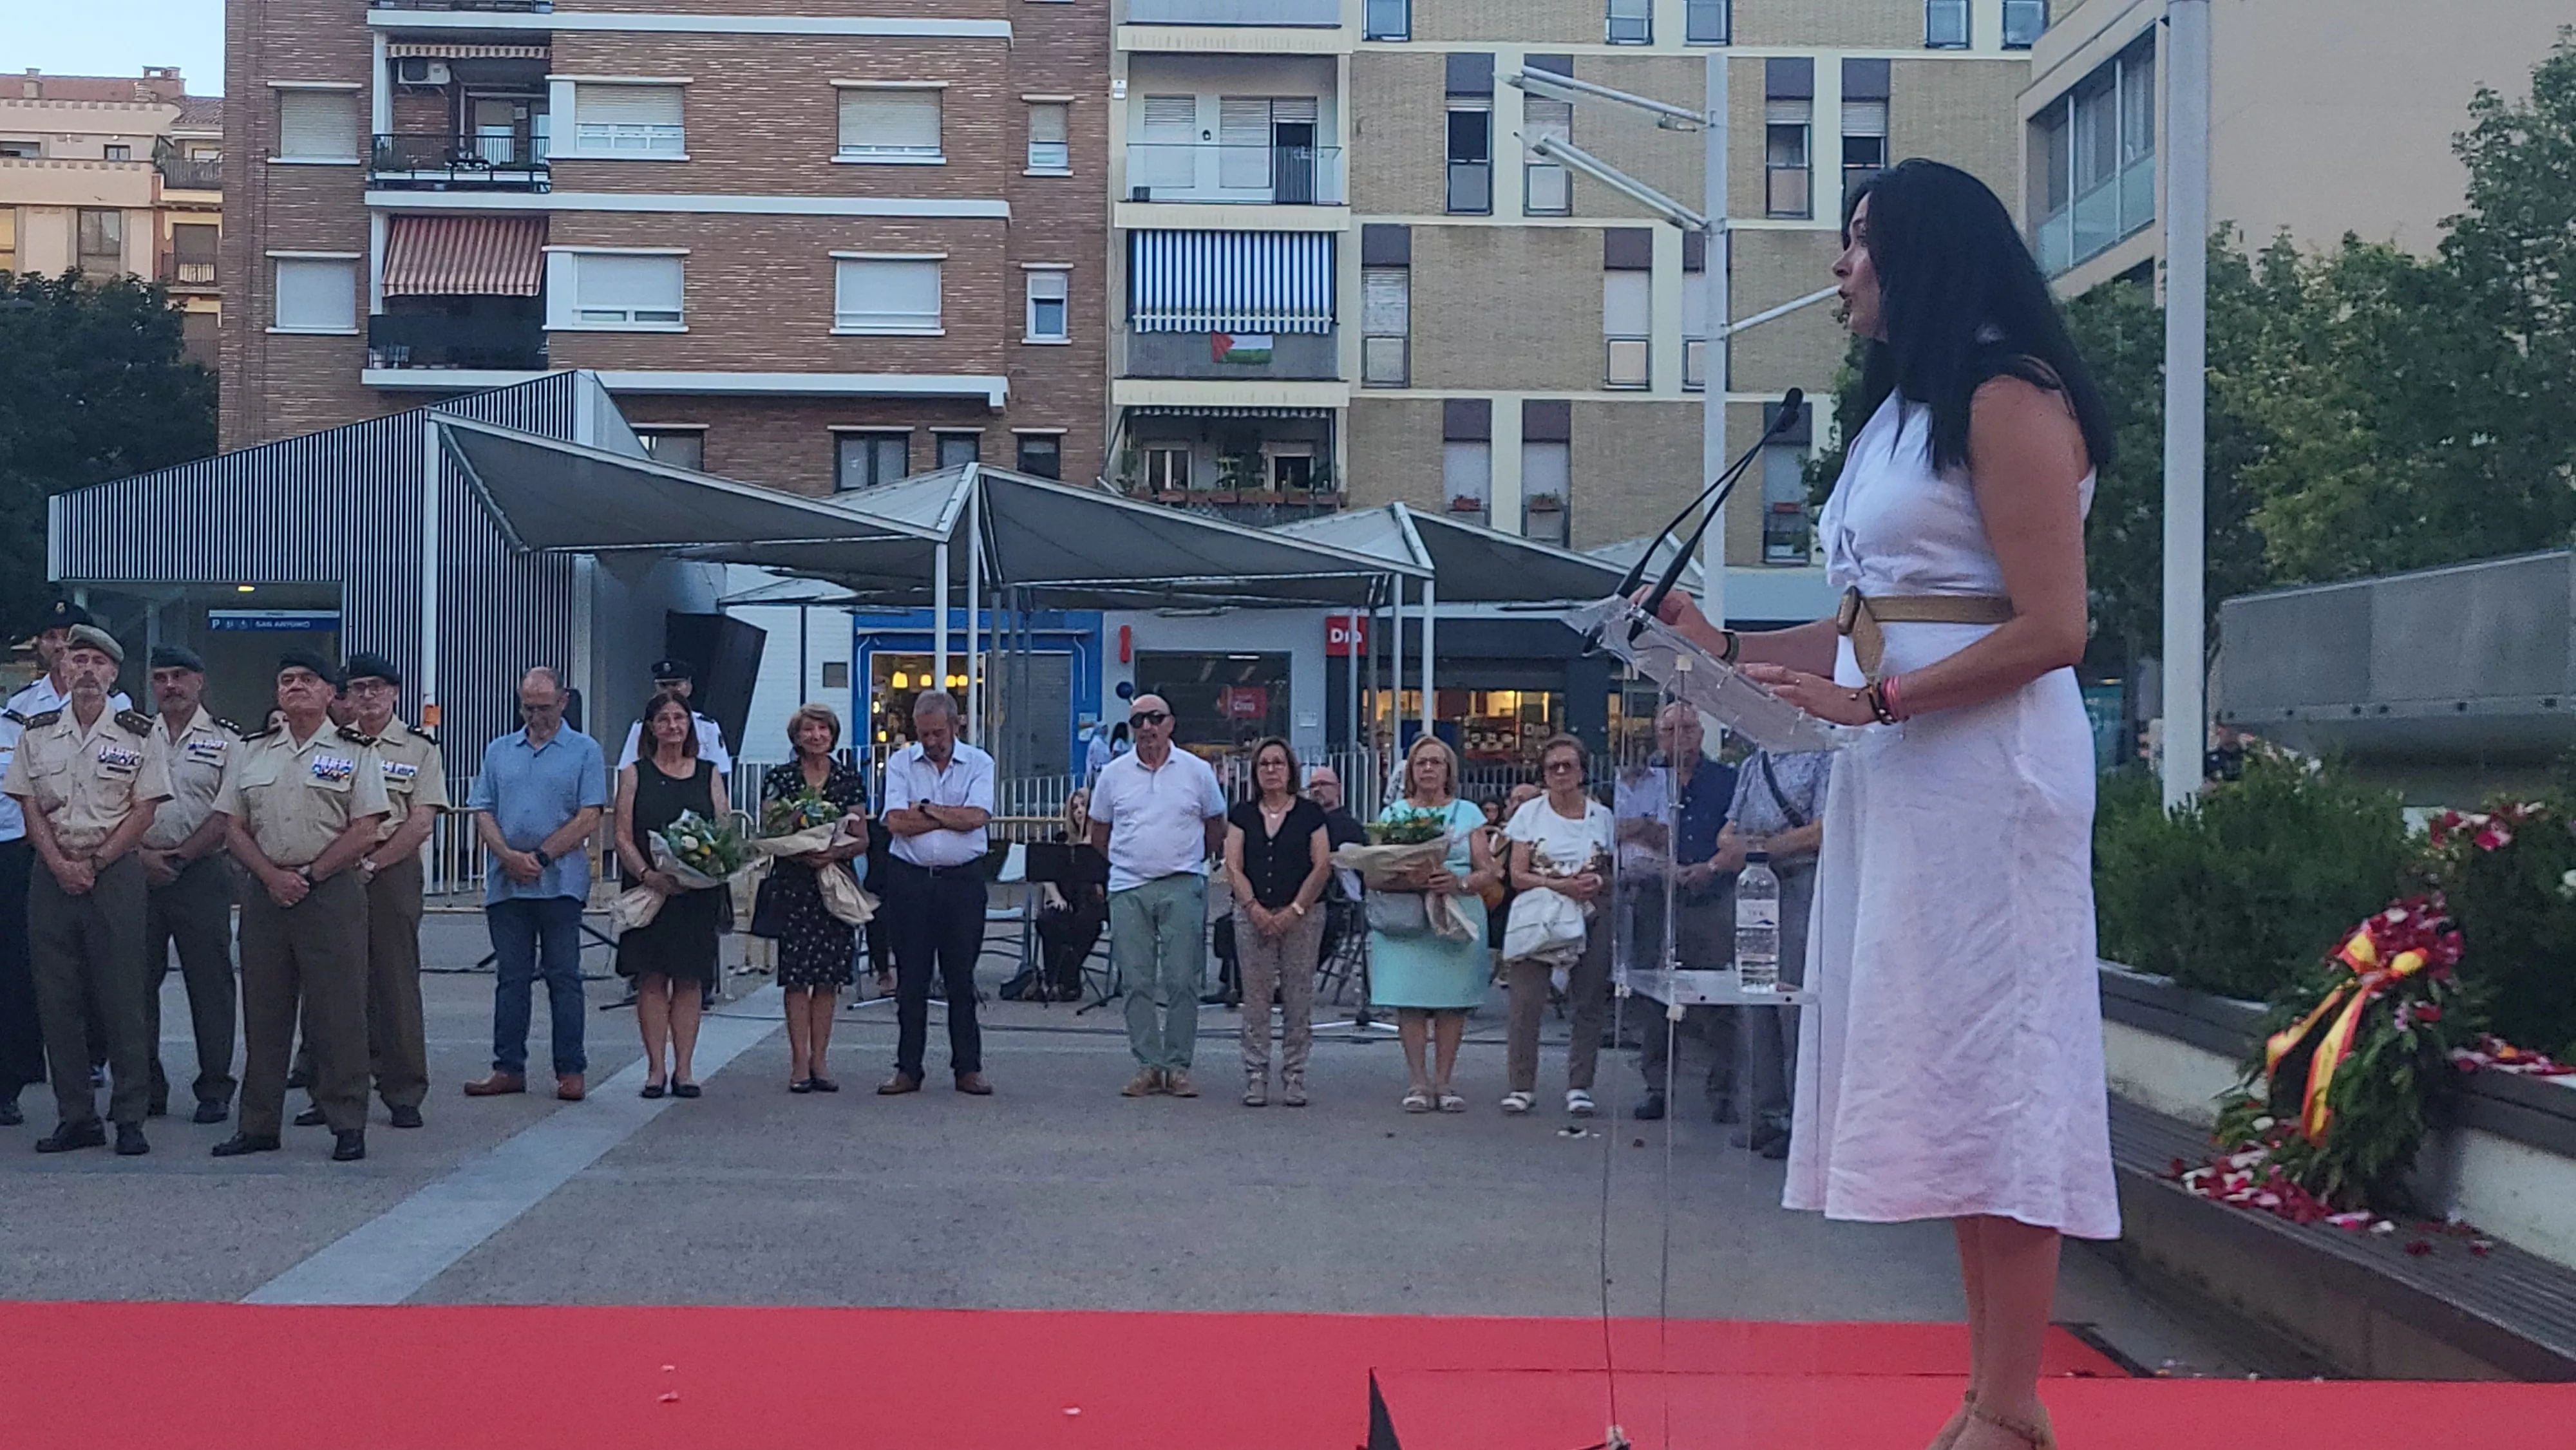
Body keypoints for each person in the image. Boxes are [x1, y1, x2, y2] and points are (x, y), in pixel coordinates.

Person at [1654, 159, 2119, 1450]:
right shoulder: (1900, 415)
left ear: (1923, 254)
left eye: (1858, 239)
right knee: (1957, 1068)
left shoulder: (2008, 395)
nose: (1838, 265)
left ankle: (2011, 1401)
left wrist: (1882, 703)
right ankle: (1988, 1395)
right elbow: (1872, 627)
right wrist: (1712, 643)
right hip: (1908, 771)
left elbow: (2054, 628)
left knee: (2003, 1066)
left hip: (1989, 776)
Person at [210, 652, 389, 1162]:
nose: (295, 687)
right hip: (266, 891)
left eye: (308, 679)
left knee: (338, 1013)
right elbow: (232, 827)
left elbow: (366, 828)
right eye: (286, 680)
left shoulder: (356, 751)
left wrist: (311, 875)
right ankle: (258, 1125)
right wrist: (271, 877)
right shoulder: (252, 751)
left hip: (329, 890)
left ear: (331, 693)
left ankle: (347, 1121)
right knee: (264, 1013)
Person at [1, 625, 168, 1154]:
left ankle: (130, 1117)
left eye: (98, 662)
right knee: (57, 998)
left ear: (114, 673)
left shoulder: (139, 732)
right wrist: (58, 863)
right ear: (63, 668)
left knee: (122, 997)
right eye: (79, 661)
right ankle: (76, 1117)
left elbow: (145, 809)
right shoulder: (37, 730)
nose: (88, 671)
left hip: (113, 872)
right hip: (51, 872)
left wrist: (95, 862)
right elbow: (28, 803)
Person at [462, 667, 607, 1102]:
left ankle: (571, 1069)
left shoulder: (585, 751)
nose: (535, 716)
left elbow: (589, 815)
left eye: (544, 707)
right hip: (506, 883)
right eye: (528, 707)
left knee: (564, 977)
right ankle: (507, 1067)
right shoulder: (499, 750)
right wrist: (507, 856)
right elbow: (483, 809)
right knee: (511, 978)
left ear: (563, 701)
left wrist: (542, 857)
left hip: (560, 883)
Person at [1089, 693, 1227, 1099]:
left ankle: (1178, 1066)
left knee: (1183, 978)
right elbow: (1099, 832)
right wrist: (1129, 860)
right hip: (1128, 888)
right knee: (1136, 980)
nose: (1147, 727)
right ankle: (1149, 1065)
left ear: (1171, 723)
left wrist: (1190, 860)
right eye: (1138, 721)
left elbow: (1216, 824)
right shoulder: (1112, 775)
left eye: (1155, 718)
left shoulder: (1197, 771)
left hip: (1182, 883)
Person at [338, 652, 448, 1131]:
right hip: (336, 867)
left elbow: (421, 821)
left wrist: (375, 862)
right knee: (334, 985)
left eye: (377, 687)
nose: (368, 696)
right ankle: (334, 1088)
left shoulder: (418, 748)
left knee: (394, 983)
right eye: (358, 688)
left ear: (395, 693)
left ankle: (403, 1091)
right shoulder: (333, 743)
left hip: (391, 868)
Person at [135, 646, 240, 1124]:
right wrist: (142, 857)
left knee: (210, 983)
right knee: (135, 983)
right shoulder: (134, 737)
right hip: (139, 869)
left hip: (201, 873)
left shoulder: (227, 740)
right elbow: (117, 802)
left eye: (179, 676)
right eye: (161, 678)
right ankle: (145, 1085)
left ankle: (214, 1087)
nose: (170, 686)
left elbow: (228, 812)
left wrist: (180, 857)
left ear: (200, 681)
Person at [1621, 704, 1741, 1124]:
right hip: (1657, 894)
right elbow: (1621, 830)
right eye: (1669, 730)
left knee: (1719, 995)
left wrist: (1710, 868)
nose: (1680, 737)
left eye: (1688, 728)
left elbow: (1741, 830)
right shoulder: (1642, 781)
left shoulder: (1727, 780)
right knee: (1656, 995)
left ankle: (1724, 1091)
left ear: (1701, 733)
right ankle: (1657, 1088)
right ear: (1658, 736)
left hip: (1712, 893)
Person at [1368, 736, 1497, 1114]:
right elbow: (1374, 874)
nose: (1428, 769)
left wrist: (1459, 883)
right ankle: (1418, 1082)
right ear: (1410, 770)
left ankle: (1444, 1081)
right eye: (1421, 762)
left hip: (1456, 913)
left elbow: (1489, 870)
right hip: (1407, 916)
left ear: (1448, 770)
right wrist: (1409, 879)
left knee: (1451, 1004)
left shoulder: (1468, 813)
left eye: (1436, 762)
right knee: (1410, 1001)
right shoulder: (1393, 815)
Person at [613, 689, 730, 1100]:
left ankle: (685, 1069)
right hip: (650, 890)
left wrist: (704, 868)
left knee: (689, 980)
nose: (672, 726)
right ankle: (655, 1069)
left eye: (679, 718)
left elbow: (722, 831)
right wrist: (648, 874)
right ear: (651, 728)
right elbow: (623, 835)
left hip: (694, 894)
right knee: (651, 978)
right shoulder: (634, 774)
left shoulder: (708, 773)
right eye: (663, 719)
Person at [877, 690, 995, 1097]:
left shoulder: (979, 763)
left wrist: (925, 809)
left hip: (962, 882)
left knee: (961, 977)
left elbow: (977, 818)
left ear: (956, 726)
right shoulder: (900, 763)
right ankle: (908, 1068)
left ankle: (968, 1068)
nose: (930, 742)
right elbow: (895, 822)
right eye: (924, 734)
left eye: (938, 734)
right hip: (910, 880)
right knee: (911, 979)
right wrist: (948, 816)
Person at [1716, 745, 1829, 1159]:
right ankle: (1767, 1112)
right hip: (1756, 885)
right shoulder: (1755, 762)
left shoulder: (1823, 756)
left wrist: (1762, 847)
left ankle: (1801, 1119)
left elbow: (1822, 828)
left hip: (1801, 880)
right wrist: (1748, 849)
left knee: (1794, 1002)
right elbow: (1726, 832)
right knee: (1755, 999)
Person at [1499, 735, 1615, 1119]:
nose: (1561, 772)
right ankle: (1521, 1085)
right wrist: (1560, 885)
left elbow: (1611, 869)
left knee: (1590, 1000)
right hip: (1539, 915)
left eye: (1569, 765)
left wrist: (1597, 882)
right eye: (1553, 767)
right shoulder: (1529, 814)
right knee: (1525, 1002)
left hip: (1590, 914)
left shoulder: (1602, 817)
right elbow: (1517, 875)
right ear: (1544, 774)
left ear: (1582, 771)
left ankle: (1580, 1086)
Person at [759, 704, 869, 1094]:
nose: (816, 736)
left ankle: (820, 1060)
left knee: (828, 979)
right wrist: (799, 841)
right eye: (808, 729)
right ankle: (798, 1063)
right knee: (796, 978)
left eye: (823, 729)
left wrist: (832, 852)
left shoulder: (848, 779)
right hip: (795, 884)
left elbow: (862, 838)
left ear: (833, 735)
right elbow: (770, 826)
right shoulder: (780, 778)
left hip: (834, 884)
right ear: (797, 736)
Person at [1222, 738, 1330, 1107]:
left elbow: (1321, 865)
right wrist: (1253, 908)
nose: (1271, 770)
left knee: (1298, 997)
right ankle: (1256, 1074)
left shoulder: (1311, 814)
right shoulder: (1242, 814)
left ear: (1290, 770)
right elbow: (1232, 865)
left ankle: (1295, 1075)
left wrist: (1295, 910)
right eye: (1264, 764)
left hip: (1303, 915)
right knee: (1256, 998)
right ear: (1255, 772)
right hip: (1252, 914)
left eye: (1278, 763)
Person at [1032, 788, 1107, 1002]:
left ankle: (1064, 978)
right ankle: (1058, 981)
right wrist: (1056, 897)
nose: (1079, 811)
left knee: (1086, 922)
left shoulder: (1104, 842)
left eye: (1084, 806)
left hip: (1094, 901)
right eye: (1074, 808)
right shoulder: (1064, 841)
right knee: (1048, 920)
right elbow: (1046, 874)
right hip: (1067, 898)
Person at [616, 659, 733, 784]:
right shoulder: (641, 726)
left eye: (676, 685)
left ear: (689, 687)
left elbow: (720, 772)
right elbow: (627, 769)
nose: (670, 690)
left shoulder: (707, 727)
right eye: (664, 686)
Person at [1306, 766, 1368, 973]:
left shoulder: (1348, 826)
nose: (1317, 790)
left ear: (1338, 789)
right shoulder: (1307, 823)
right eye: (1312, 786)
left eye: (1323, 784)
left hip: (1334, 903)